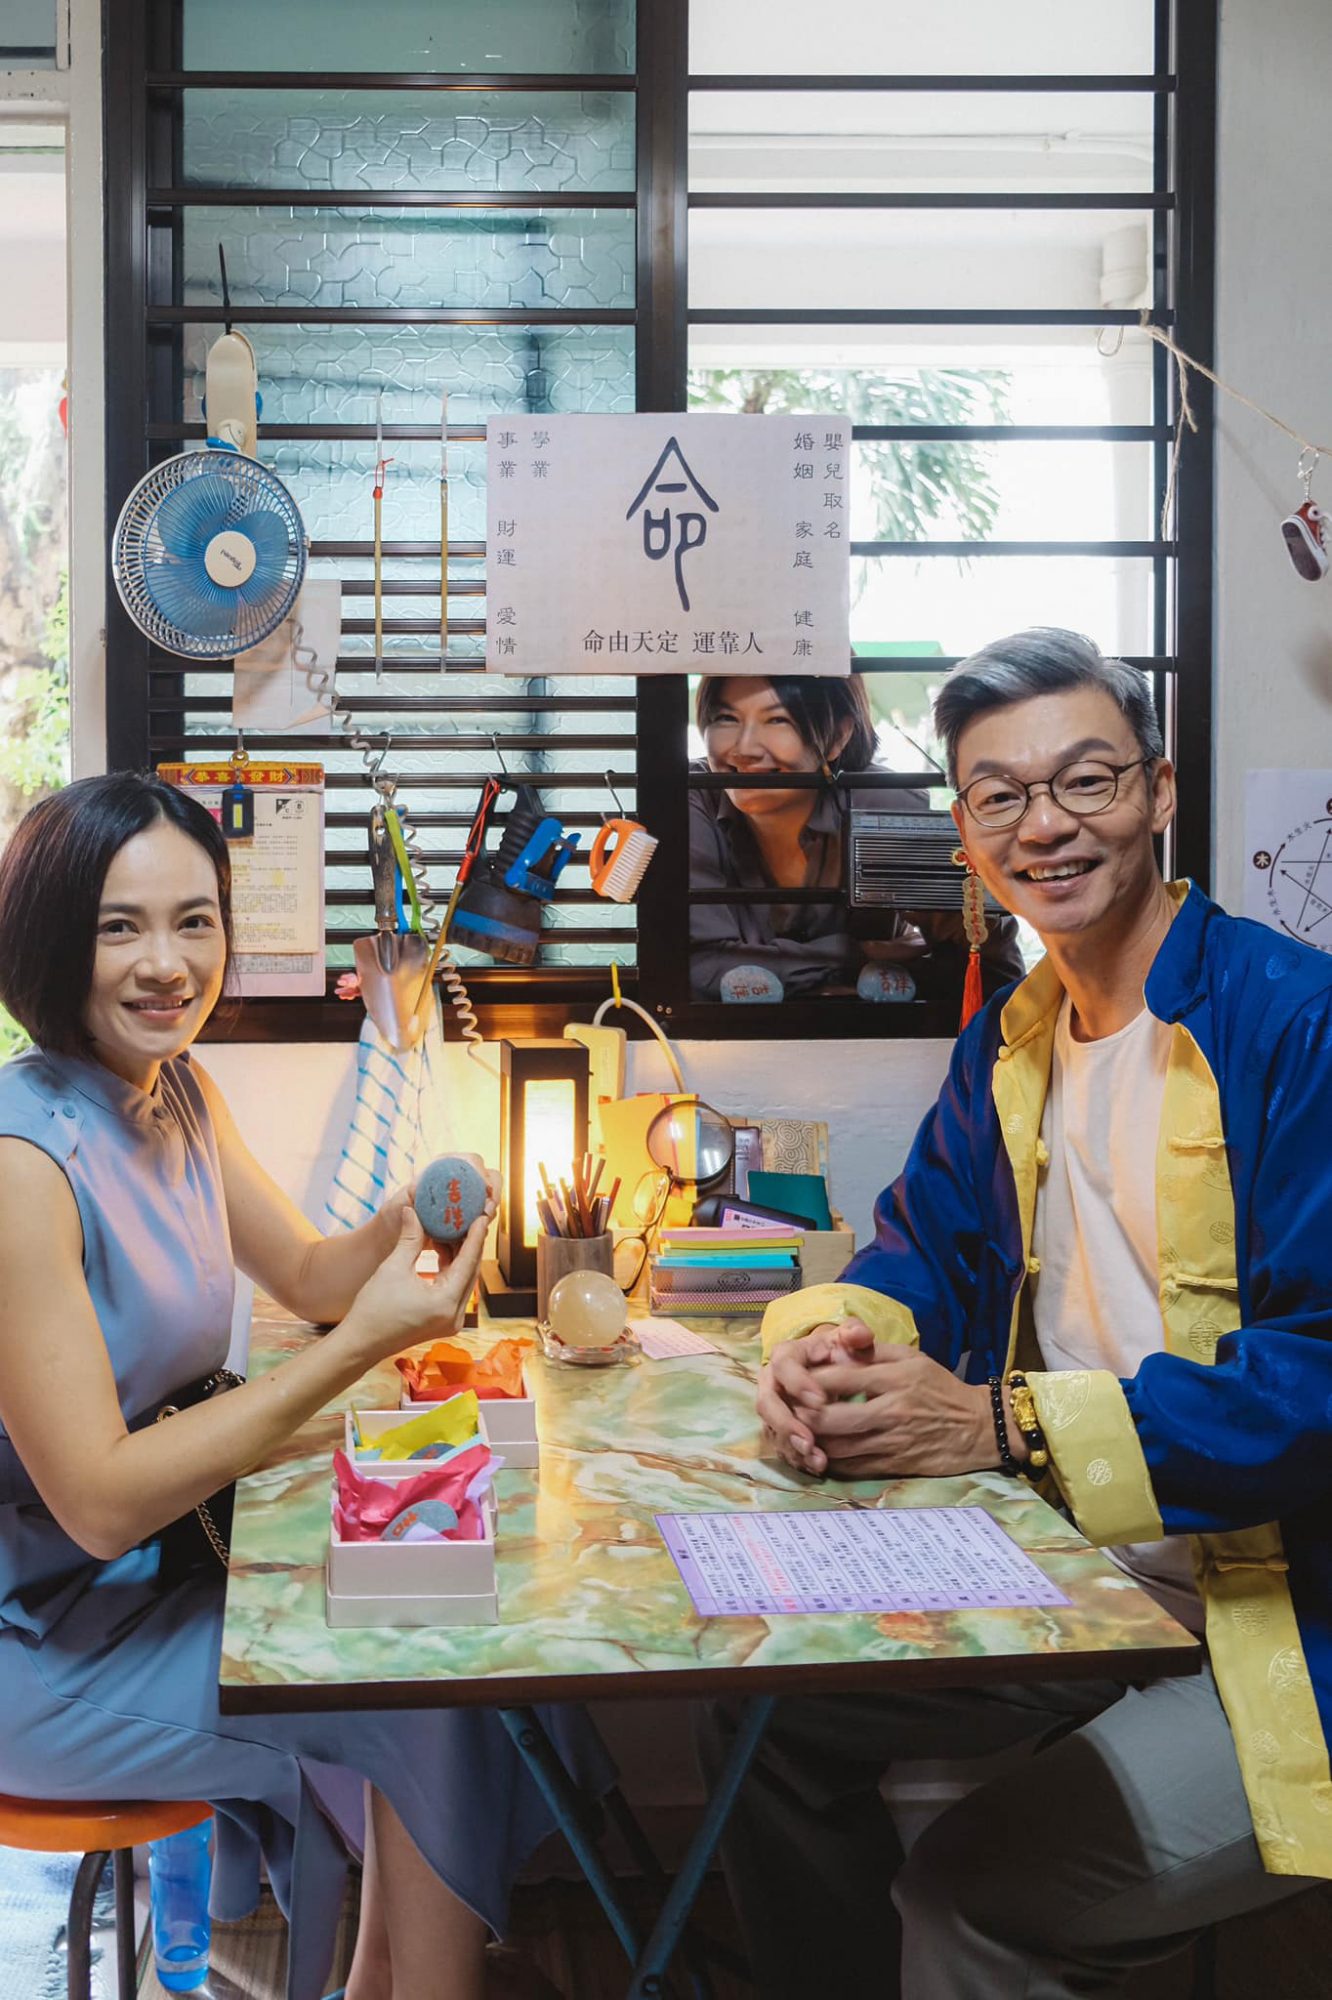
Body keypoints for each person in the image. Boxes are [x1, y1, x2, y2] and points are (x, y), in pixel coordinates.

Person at [702, 628, 1332, 1998]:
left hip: (1281, 1610)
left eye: (1086, 780)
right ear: (966, 832)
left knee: (971, 1898)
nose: (1045, 826)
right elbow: (919, 1250)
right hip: (1086, 1570)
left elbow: (1316, 1385)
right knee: (758, 1710)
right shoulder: (1013, 1037)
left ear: (1159, 791)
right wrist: (822, 1345)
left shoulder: (1299, 1022)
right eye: (1002, 795)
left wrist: (1000, 1424)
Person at [0, 773, 600, 2000]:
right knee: (426, 1694)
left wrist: (407, 1215)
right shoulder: (22, 1165)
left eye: (195, 919)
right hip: (43, 1639)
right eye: (120, 927)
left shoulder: (177, 1090)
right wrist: (358, 1346)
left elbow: (315, 1273)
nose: (167, 963)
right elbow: (99, 1503)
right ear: (51, 939)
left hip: (157, 1578)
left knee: (449, 1645)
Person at [689, 672, 1025, 1002]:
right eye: (726, 718)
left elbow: (992, 969)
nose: (744, 748)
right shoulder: (692, 797)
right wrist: (862, 956)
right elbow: (696, 967)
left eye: (778, 720)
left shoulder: (881, 805)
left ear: (839, 735)